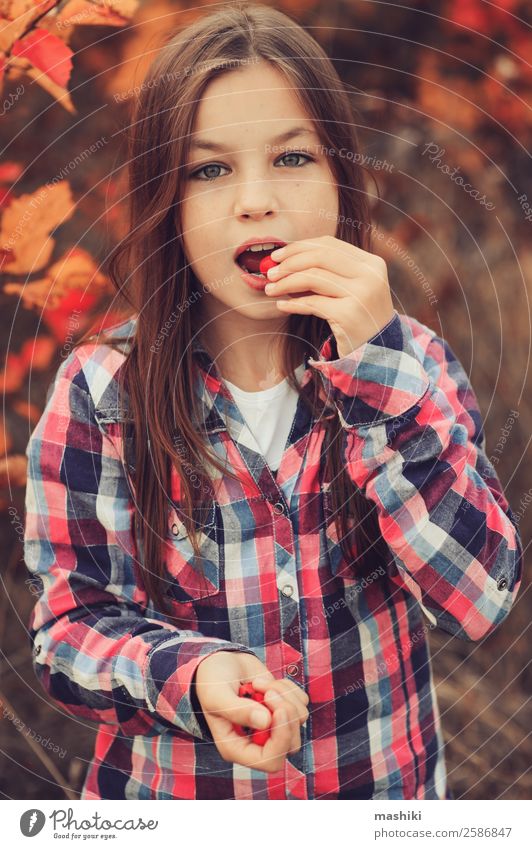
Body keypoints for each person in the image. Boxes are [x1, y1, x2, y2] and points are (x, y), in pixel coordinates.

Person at [23, 2, 522, 800]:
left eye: (292, 157)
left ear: (338, 177)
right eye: (210, 169)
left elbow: (481, 597)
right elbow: (67, 634)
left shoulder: (412, 363)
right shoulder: (100, 392)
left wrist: (379, 375)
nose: (255, 200)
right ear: (168, 203)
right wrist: (191, 674)